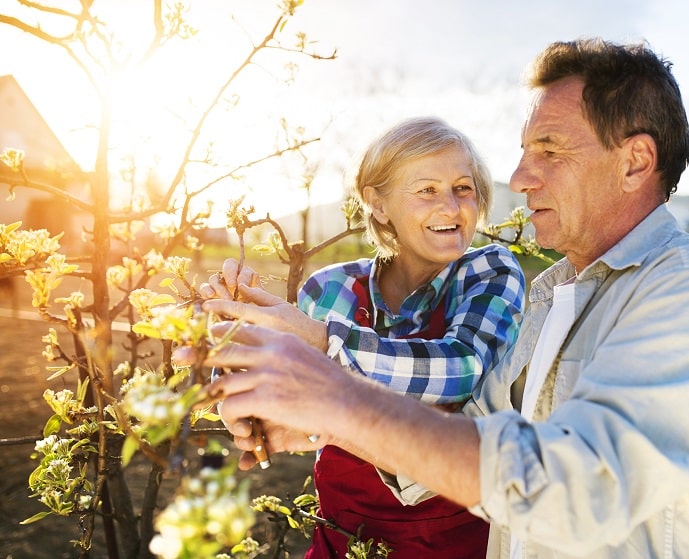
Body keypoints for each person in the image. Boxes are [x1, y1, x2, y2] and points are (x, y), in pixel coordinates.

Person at [181, 38, 689, 558]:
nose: (520, 178)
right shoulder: (553, 297)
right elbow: (466, 438)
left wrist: (334, 392)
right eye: (524, 154)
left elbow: (576, 487)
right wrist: (303, 420)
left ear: (635, 161)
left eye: (549, 152)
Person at [198, 116, 526, 558]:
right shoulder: (328, 290)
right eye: (427, 190)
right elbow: (287, 392)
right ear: (378, 203)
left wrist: (322, 342)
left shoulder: (489, 272)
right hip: (342, 541)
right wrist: (238, 347)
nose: (451, 206)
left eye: (463, 188)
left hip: (454, 546)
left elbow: (461, 369)